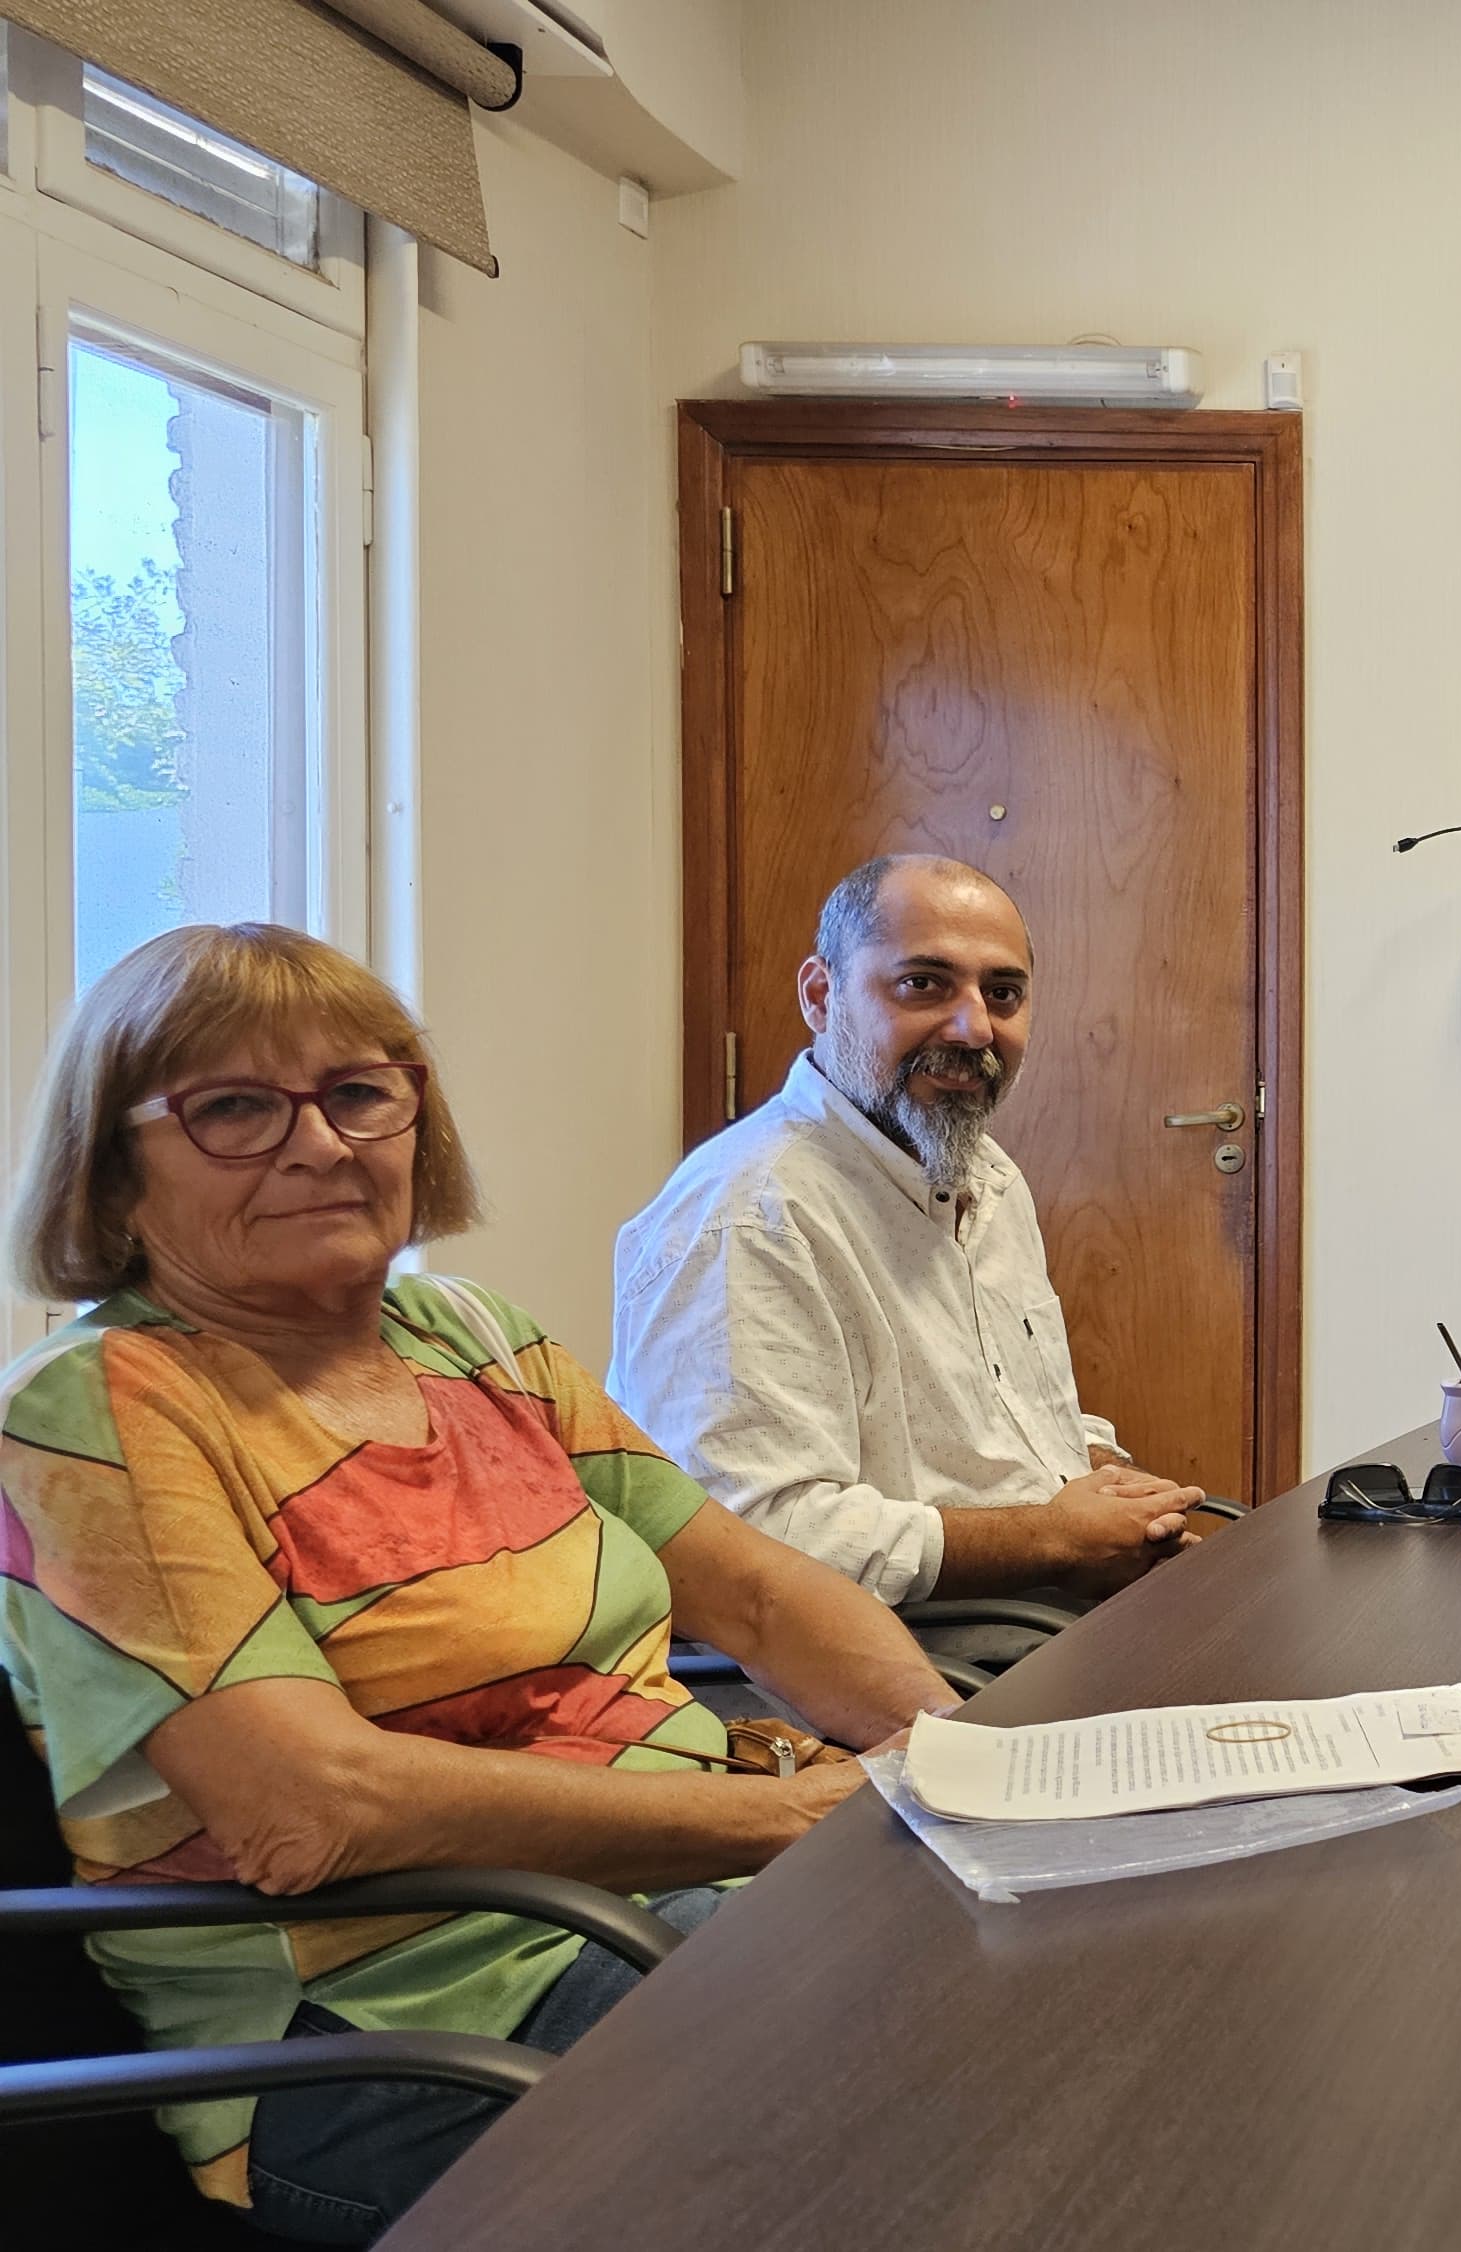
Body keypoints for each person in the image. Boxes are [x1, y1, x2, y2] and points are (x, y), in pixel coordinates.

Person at [0, 924, 957, 2241]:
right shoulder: (97, 1414)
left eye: (358, 1093)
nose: (323, 1144)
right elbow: (310, 1807)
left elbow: (755, 1594)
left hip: (666, 1909)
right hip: (401, 2020)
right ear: (114, 1175)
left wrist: (944, 1751)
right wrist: (786, 1824)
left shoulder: (472, 1338)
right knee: (941, 2099)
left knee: (1058, 1979)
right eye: (233, 1109)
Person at [610, 857, 1205, 1645]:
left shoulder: (983, 1176)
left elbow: (1003, 1415)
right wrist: (1056, 1539)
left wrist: (1094, 1469)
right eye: (923, 985)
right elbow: (749, 1543)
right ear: (821, 997)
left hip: (1037, 1604)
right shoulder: (746, 1218)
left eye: (1002, 993)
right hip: (903, 1650)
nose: (973, 1028)